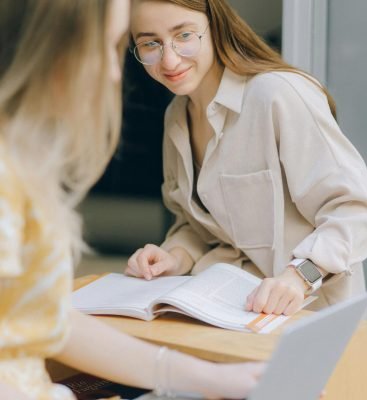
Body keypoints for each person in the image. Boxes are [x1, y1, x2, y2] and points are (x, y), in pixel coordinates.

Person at [0, 1, 264, 399]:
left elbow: (50, 320)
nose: (111, 72)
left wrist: (204, 378)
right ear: (50, 47)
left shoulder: (21, 161)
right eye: (105, 47)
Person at [126, 0, 367, 316]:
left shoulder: (277, 95)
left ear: (215, 25)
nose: (169, 59)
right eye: (150, 43)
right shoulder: (176, 118)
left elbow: (355, 212)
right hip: (226, 312)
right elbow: (197, 226)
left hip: (309, 320)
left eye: (184, 36)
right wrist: (175, 256)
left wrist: (299, 276)